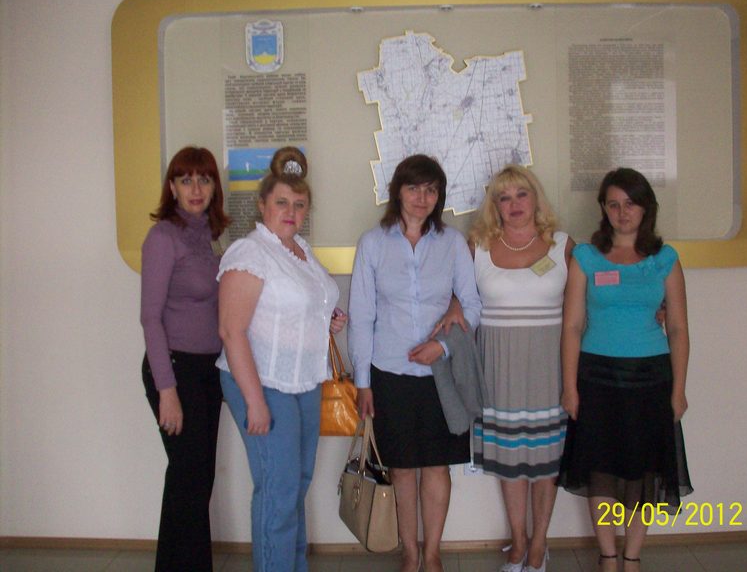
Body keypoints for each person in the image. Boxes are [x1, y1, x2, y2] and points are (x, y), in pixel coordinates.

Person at [348, 154, 482, 572]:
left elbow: (472, 305)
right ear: (397, 192)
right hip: (390, 374)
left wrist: (442, 347)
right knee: (403, 468)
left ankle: (433, 553)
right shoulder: (373, 243)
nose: (422, 198)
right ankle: (410, 554)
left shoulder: (452, 243)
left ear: (439, 196)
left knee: (437, 466)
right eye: (413, 188)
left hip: (440, 376)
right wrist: (363, 382)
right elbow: (361, 316)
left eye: (431, 189)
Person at [556, 168, 693, 572]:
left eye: (631, 203)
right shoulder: (586, 257)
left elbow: (679, 328)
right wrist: (569, 387)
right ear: (603, 209)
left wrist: (679, 390)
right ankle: (608, 557)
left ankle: (632, 556)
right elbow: (572, 326)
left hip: (651, 380)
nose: (623, 212)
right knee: (600, 470)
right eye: (613, 204)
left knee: (642, 472)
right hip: (596, 378)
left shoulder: (665, 260)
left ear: (646, 207)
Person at [216, 147, 345, 572]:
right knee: (278, 489)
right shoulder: (250, 252)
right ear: (263, 205)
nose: (291, 212)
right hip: (263, 381)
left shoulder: (298, 250)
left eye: (299, 204)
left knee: (296, 485)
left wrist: (328, 318)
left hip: (303, 380)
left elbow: (299, 306)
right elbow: (231, 331)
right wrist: (254, 402)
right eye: (282, 202)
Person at [468, 164, 573, 572]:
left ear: (535, 198)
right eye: (504, 197)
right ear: (494, 205)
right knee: (510, 463)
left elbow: (588, 304)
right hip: (499, 368)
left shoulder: (562, 245)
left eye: (521, 194)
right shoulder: (477, 245)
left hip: (550, 367)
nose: (513, 204)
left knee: (547, 462)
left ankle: (539, 544)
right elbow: (457, 297)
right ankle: (519, 541)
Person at [140, 146, 230, 572]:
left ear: (214, 187)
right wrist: (167, 391)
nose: (196, 188)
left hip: (208, 371)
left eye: (204, 179)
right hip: (174, 371)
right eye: (186, 179)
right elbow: (150, 318)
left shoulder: (211, 236)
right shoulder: (163, 237)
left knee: (195, 480)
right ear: (172, 187)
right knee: (189, 480)